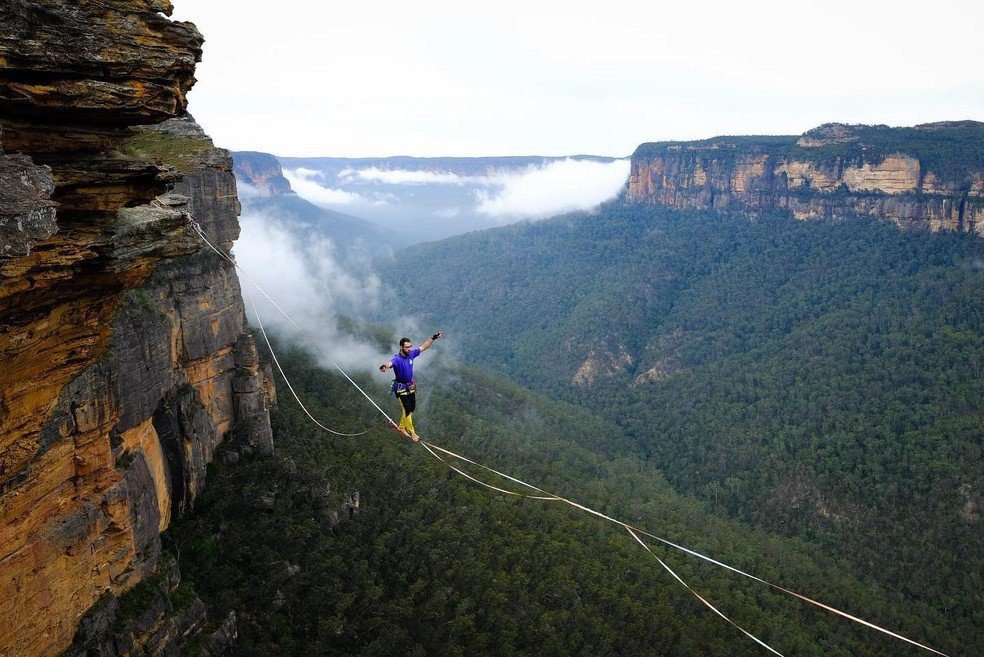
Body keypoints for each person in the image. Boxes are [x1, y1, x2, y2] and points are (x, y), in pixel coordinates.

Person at [379, 332, 442, 441]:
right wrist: (384, 367)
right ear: (401, 347)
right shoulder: (397, 359)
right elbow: (389, 364)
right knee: (407, 409)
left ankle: (402, 427)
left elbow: (424, 347)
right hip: (400, 387)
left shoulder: (411, 354)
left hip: (410, 384)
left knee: (412, 407)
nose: (409, 348)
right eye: (407, 347)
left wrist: (433, 338)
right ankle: (411, 431)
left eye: (410, 346)